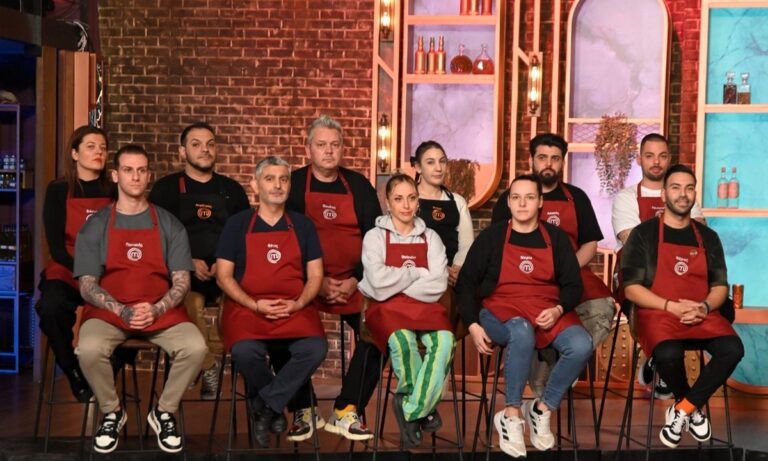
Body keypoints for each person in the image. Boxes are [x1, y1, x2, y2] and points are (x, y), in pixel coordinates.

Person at [74, 144, 207, 454]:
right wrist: (121, 310)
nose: (135, 177)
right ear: (115, 175)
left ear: (149, 176)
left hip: (160, 311)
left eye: (141, 170)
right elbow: (87, 285)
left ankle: (164, 411)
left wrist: (157, 308)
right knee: (88, 349)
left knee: (196, 347)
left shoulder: (169, 224)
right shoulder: (96, 225)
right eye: (128, 170)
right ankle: (112, 412)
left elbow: (182, 281)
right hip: (110, 312)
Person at [458, 174, 591, 458]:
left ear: (540, 202)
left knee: (581, 345)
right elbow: (466, 283)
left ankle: (542, 408)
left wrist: (557, 309)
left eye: (529, 197)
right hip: (500, 308)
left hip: (546, 308)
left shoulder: (556, 239)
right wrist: (472, 325)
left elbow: (573, 285)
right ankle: (511, 414)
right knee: (521, 330)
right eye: (516, 197)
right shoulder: (492, 238)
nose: (522, 203)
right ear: (508, 202)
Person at [620, 164, 743, 449]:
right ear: (664, 194)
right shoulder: (643, 234)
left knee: (733, 349)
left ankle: (683, 409)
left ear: (695, 194)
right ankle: (692, 409)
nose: (683, 194)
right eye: (675, 187)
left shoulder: (708, 237)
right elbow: (632, 289)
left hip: (700, 311)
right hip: (658, 311)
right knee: (668, 353)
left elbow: (720, 287)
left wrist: (704, 307)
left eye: (689, 188)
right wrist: (671, 307)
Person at [216, 155, 328, 448]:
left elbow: (316, 276)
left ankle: (264, 405)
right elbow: (224, 277)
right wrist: (254, 305)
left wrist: (298, 304)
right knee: (244, 352)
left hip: (293, 308)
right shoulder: (237, 224)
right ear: (255, 185)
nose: (277, 185)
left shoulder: (303, 226)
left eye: (283, 179)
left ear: (289, 185)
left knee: (315, 348)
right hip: (249, 309)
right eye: (269, 178)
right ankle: (274, 405)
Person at [491, 133, 614, 395]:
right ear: (531, 160)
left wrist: (566, 270)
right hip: (523, 277)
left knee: (604, 309)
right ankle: (552, 364)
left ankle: (562, 361)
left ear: (562, 162)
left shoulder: (577, 197)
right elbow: (498, 246)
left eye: (555, 158)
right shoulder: (510, 199)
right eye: (542, 157)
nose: (548, 164)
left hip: (572, 271)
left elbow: (590, 244)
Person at [285, 115, 382, 441]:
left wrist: (356, 279)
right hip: (307, 283)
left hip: (354, 284)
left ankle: (347, 408)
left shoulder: (359, 186)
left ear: (343, 149)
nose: (328, 151)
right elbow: (285, 240)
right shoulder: (293, 184)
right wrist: (318, 280)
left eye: (335, 145)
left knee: (379, 332)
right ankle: (304, 408)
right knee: (283, 328)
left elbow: (376, 240)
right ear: (308, 148)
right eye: (321, 145)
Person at [149, 122, 250, 399]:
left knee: (235, 307)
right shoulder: (166, 190)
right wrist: (187, 261)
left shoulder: (232, 190)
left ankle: (206, 364)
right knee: (189, 303)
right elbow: (155, 237)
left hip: (225, 274)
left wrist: (224, 263)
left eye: (210, 144)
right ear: (182, 152)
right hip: (182, 274)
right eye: (196, 144)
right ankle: (207, 365)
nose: (204, 150)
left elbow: (245, 236)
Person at [358, 173, 454, 448]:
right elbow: (377, 283)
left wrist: (396, 282)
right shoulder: (375, 237)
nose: (406, 205)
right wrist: (416, 272)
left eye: (412, 198)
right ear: (388, 202)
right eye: (399, 199)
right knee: (403, 342)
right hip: (386, 309)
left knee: (446, 342)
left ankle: (410, 407)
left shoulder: (431, 237)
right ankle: (424, 409)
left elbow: (437, 285)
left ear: (418, 201)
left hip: (426, 309)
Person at [36, 126, 114, 403]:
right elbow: (56, 247)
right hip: (68, 267)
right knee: (50, 307)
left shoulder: (113, 189)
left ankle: (107, 378)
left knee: (129, 314)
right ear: (74, 153)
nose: (98, 152)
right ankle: (73, 370)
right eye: (91, 146)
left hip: (107, 270)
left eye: (103, 147)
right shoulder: (59, 190)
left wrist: (102, 272)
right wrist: (84, 272)